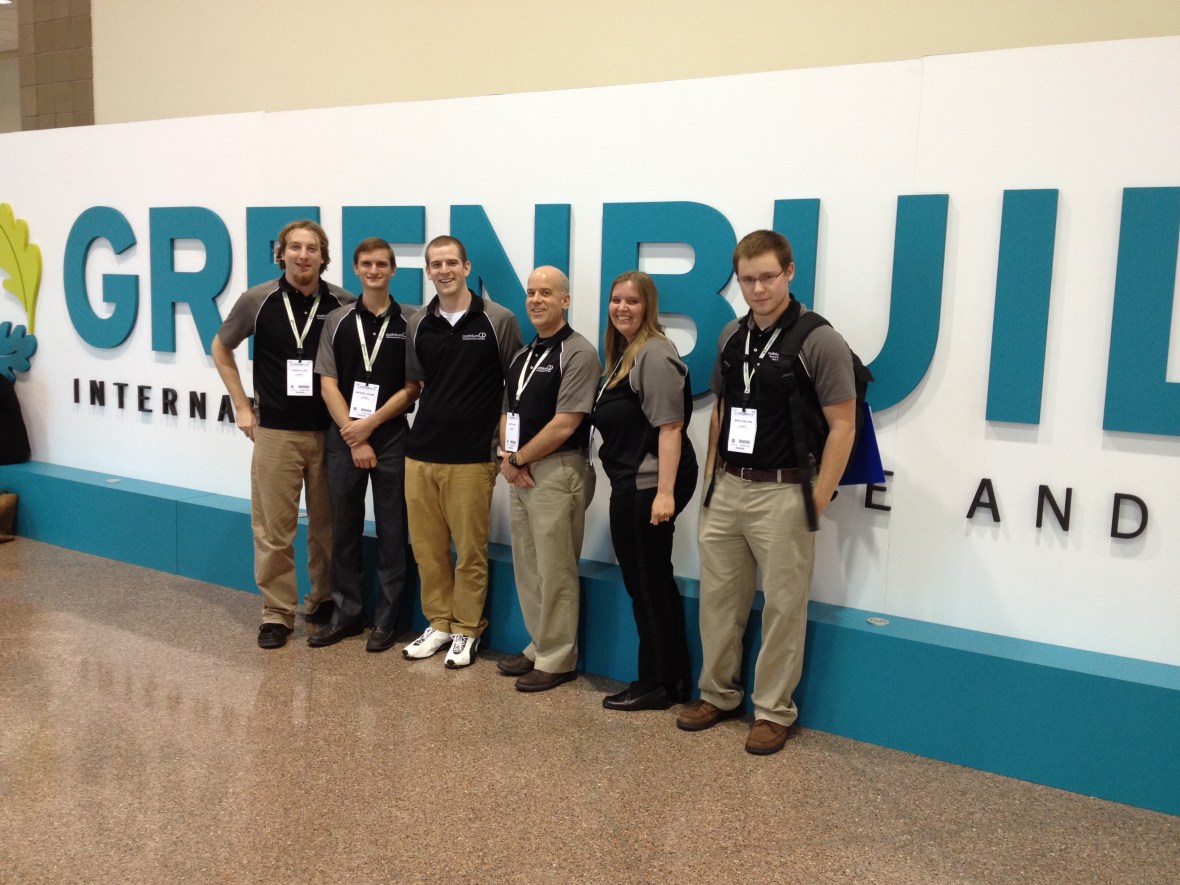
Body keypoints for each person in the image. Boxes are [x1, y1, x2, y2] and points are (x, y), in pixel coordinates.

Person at [677, 229, 856, 755]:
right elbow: (725, 411)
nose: (758, 289)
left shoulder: (818, 338)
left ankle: (773, 710)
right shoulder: (732, 335)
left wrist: (817, 497)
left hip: (786, 491)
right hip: (729, 486)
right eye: (748, 279)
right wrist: (712, 478)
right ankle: (718, 694)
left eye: (768, 278)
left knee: (783, 605)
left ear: (790, 272)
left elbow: (843, 426)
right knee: (718, 600)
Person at [212, 220, 355, 649]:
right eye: (295, 247)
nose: (303, 255)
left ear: (323, 255)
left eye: (312, 248)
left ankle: (323, 600)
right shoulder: (258, 300)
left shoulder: (343, 303)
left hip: (332, 434)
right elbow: (221, 346)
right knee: (275, 529)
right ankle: (276, 613)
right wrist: (241, 404)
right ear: (282, 253)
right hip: (275, 433)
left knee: (328, 528)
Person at [402, 236, 522, 668]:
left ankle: (468, 629)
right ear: (428, 272)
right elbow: (416, 384)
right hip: (420, 454)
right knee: (428, 549)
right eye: (436, 264)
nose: (444, 270)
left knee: (469, 551)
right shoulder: (418, 323)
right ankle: (438, 622)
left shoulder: (498, 320)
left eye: (452, 262)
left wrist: (507, 447)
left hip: (472, 457)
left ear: (467, 267)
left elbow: (516, 388)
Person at [591, 270, 697, 711]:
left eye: (632, 301)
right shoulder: (625, 354)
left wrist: (665, 495)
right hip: (636, 482)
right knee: (655, 585)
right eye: (616, 300)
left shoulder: (653, 353)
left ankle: (655, 683)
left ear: (648, 306)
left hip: (649, 485)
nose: (622, 308)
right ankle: (671, 680)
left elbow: (670, 427)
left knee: (646, 587)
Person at [310, 237, 420, 652]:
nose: (374, 271)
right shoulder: (336, 320)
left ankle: (387, 621)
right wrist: (353, 433)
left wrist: (370, 424)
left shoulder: (410, 321)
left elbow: (413, 387)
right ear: (355, 270)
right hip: (344, 437)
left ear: (393, 270)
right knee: (344, 530)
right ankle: (347, 614)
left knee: (393, 532)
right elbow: (327, 383)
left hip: (391, 436)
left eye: (382, 264)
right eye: (366, 264)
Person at [497, 267, 599, 692]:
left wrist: (517, 457)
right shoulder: (523, 354)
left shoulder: (578, 353)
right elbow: (506, 413)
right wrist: (508, 457)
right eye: (531, 292)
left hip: (558, 471)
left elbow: (566, 422)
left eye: (546, 293)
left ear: (565, 301)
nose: (536, 300)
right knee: (529, 566)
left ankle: (558, 658)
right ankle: (540, 643)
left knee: (556, 568)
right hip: (519, 471)